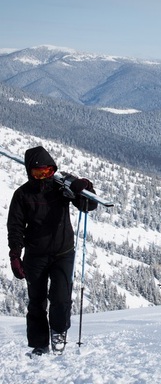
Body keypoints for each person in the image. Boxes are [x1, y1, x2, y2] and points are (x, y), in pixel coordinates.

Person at [7, 146, 98, 356]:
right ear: (29, 171)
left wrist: (84, 187)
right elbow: (16, 227)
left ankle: (58, 331)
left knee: (61, 297)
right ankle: (40, 343)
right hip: (35, 255)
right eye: (37, 173)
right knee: (36, 301)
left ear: (53, 169)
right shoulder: (22, 195)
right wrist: (15, 255)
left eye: (47, 172)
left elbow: (88, 206)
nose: (42, 176)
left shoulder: (61, 188)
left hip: (63, 252)